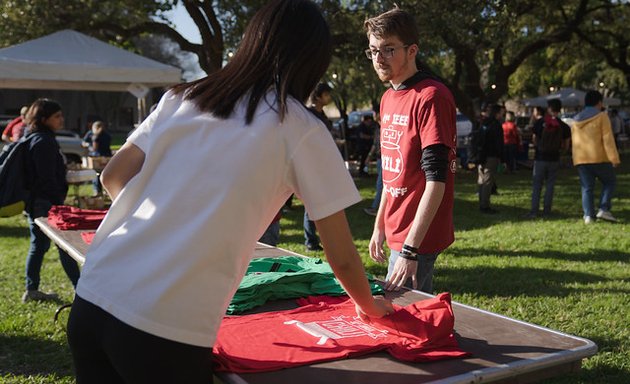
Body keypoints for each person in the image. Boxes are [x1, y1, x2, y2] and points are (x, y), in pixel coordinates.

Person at [66, 1, 394, 382]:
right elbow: (342, 256)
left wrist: (162, 221)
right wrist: (370, 306)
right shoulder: (300, 127)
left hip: (95, 294)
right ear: (311, 61)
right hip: (162, 322)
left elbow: (113, 176)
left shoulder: (181, 96)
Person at [364, 7, 457, 293]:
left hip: (418, 235)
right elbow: (391, 173)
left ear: (412, 50)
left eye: (388, 50)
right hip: (395, 227)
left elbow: (436, 181)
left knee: (407, 320)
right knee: (407, 318)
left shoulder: (431, 96)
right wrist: (380, 225)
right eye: (373, 50)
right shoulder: (388, 97)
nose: (379, 59)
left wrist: (410, 250)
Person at [22, 99, 80, 302]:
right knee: (64, 246)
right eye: (57, 116)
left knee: (39, 245)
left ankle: (31, 290)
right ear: (44, 119)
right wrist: (58, 204)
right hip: (45, 202)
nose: (61, 120)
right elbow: (46, 178)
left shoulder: (37, 137)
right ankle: (80, 290)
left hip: (38, 200)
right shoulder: (43, 141)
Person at [571, 90, 620, 224]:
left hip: (581, 158)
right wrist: (614, 158)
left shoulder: (575, 120)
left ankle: (588, 215)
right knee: (610, 182)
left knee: (587, 187)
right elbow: (607, 139)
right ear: (599, 103)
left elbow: (574, 142)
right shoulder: (602, 117)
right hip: (599, 157)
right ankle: (604, 208)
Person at [526, 99, 571, 219]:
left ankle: (534, 211)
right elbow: (566, 145)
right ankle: (547, 211)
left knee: (537, 185)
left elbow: (534, 139)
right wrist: (561, 152)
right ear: (560, 109)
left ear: (549, 108)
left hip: (540, 157)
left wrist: (538, 148)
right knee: (550, 185)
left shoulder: (540, 123)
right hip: (554, 158)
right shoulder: (563, 126)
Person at [303, 82, 334, 252]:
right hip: (312, 164)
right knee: (311, 205)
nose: (329, 97)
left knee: (321, 203)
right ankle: (310, 241)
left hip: (323, 163)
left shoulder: (322, 114)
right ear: (319, 95)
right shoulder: (308, 114)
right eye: (327, 94)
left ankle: (317, 239)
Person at [477, 104, 504, 213]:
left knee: (481, 180)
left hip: (481, 155)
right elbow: (499, 143)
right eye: (501, 113)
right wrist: (501, 157)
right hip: (491, 155)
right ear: (497, 113)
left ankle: (481, 202)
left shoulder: (483, 123)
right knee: (487, 181)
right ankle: (484, 205)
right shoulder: (496, 125)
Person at [82, 121, 112, 195]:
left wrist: (89, 147)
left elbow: (95, 148)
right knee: (105, 174)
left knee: (96, 174)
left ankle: (97, 190)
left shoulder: (96, 136)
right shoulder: (107, 135)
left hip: (97, 157)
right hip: (107, 156)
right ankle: (106, 190)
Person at [363, 112, 382, 216]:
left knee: (380, 184)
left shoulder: (387, 128)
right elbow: (375, 145)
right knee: (380, 184)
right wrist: (369, 157)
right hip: (379, 159)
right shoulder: (377, 129)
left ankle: (375, 207)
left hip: (385, 159)